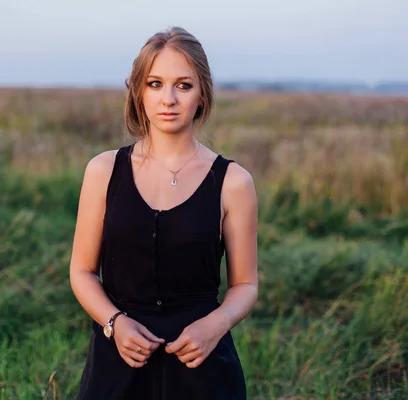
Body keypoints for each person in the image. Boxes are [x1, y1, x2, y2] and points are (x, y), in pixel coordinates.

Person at [70, 26, 259, 400]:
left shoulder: (233, 182)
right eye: (155, 83)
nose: (168, 99)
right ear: (138, 92)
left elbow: (245, 285)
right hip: (118, 367)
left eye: (183, 85)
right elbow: (81, 271)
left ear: (202, 93)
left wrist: (214, 326)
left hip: (201, 368)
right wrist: (114, 323)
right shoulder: (103, 171)